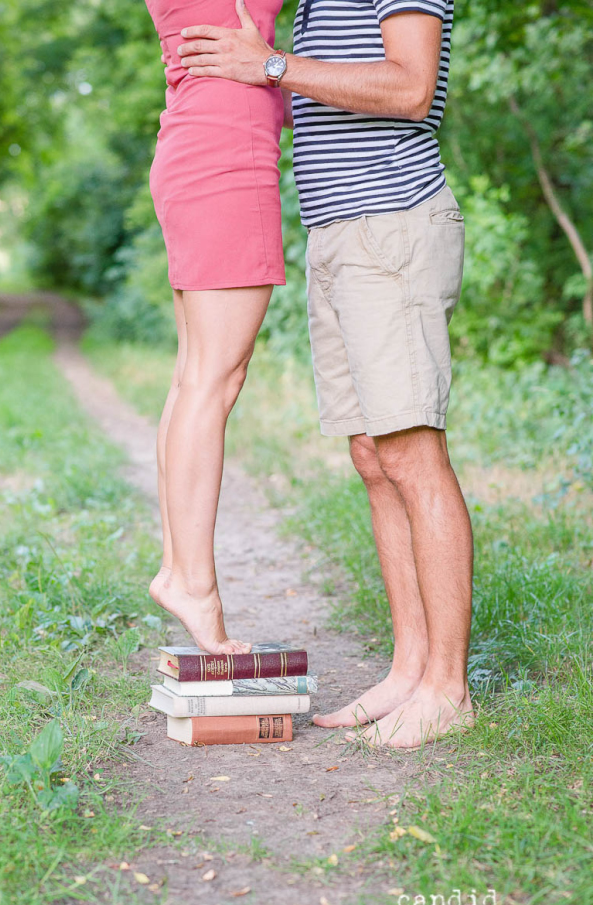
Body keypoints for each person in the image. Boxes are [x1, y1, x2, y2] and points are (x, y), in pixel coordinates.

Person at [177, 0, 474, 746]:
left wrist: (271, 66)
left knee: (413, 452)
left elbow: (411, 87)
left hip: (392, 224)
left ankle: (448, 687)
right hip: (339, 233)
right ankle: (409, 668)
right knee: (373, 456)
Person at [144, 0, 289, 655]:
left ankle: (180, 569)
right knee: (212, 380)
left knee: (199, 377)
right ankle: (193, 585)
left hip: (206, 139)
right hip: (224, 153)